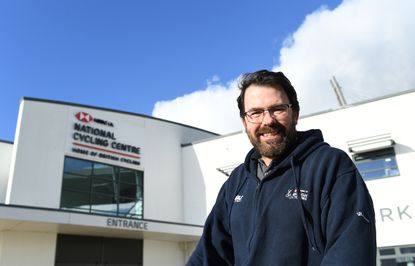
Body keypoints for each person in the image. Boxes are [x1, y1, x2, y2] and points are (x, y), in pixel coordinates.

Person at [186, 70, 377, 265]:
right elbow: (208, 256)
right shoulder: (236, 182)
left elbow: (350, 253)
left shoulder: (330, 166)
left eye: (277, 109)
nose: (268, 120)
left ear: (294, 113)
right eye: (256, 113)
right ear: (245, 122)